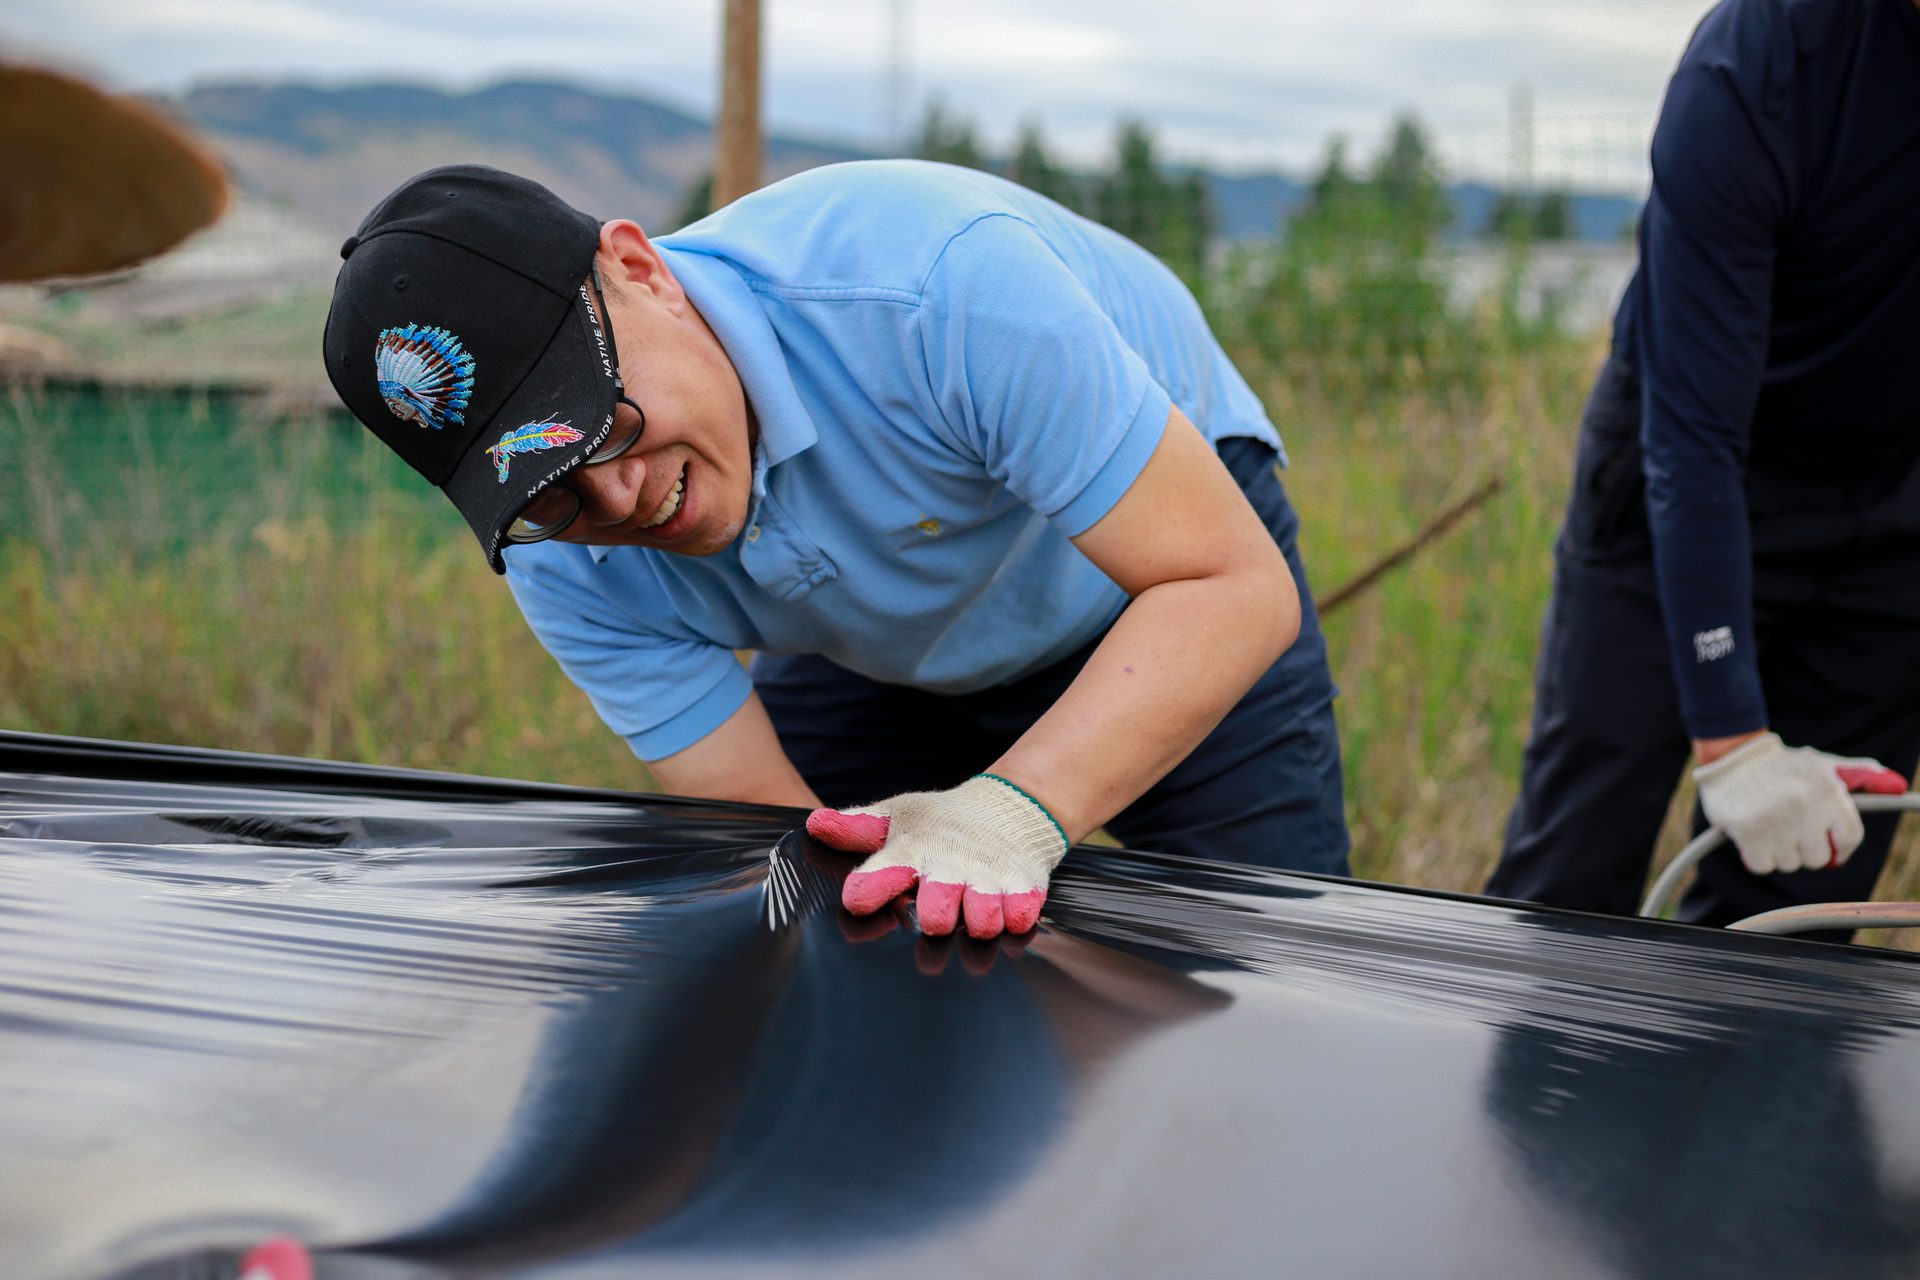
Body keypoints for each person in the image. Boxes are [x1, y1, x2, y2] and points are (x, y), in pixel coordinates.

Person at [322, 160, 1350, 940]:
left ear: (639, 272)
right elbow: (764, 824)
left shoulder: (934, 288)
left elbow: (1231, 587)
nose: (620, 498)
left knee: (1266, 963)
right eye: (550, 490)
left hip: (1152, 583)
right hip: (870, 644)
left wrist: (1016, 808)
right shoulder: (554, 549)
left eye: (609, 422)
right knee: (822, 915)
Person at [1489, 0, 1920, 928]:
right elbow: (1692, 439)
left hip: (1892, 501)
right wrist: (1729, 739)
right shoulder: (1760, 61)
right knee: (1571, 879)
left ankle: (1738, 1077)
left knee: (1803, 904)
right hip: (1679, 474)